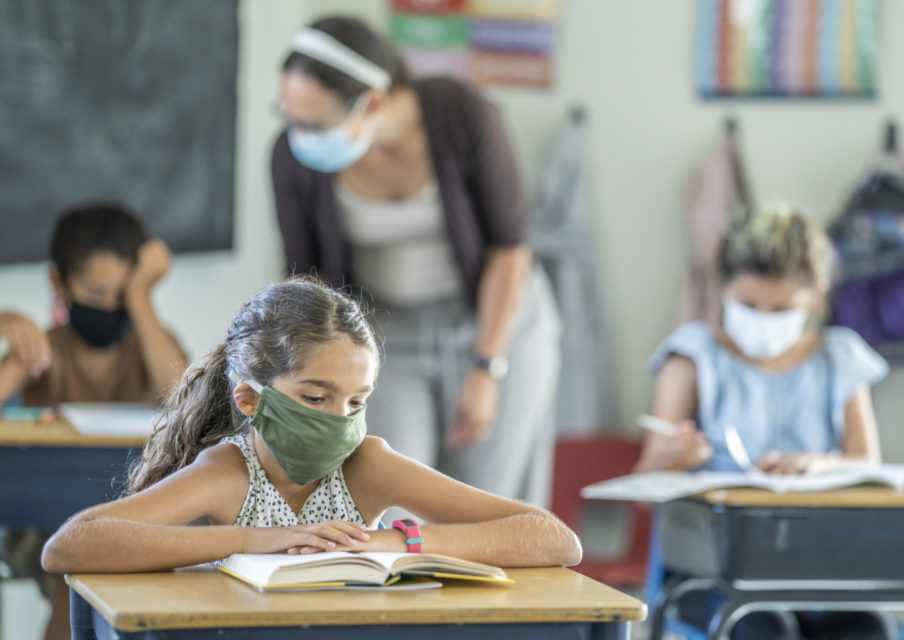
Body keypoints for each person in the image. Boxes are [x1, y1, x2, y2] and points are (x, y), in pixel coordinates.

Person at [41, 278, 582, 577]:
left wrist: (392, 541)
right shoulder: (229, 473)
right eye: (315, 397)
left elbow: (555, 540)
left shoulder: (367, 464)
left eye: (356, 401)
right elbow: (70, 546)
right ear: (252, 398)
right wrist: (258, 540)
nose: (339, 421)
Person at [269, 17, 561, 508]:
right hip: (385, 334)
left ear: (374, 102)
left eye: (315, 123)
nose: (299, 136)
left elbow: (508, 247)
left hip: (497, 321)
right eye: (288, 115)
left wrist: (487, 366)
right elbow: (304, 278)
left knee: (485, 504)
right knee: (389, 496)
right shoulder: (292, 157)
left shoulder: (461, 114)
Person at [636, 206, 890, 640]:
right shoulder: (692, 358)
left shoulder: (841, 358)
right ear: (723, 290)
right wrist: (670, 460)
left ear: (816, 295)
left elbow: (868, 466)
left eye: (780, 309)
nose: (763, 322)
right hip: (711, 573)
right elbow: (643, 489)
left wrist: (822, 465)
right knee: (758, 627)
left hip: (818, 569)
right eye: (749, 305)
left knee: (867, 627)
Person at [0, 203, 188, 640]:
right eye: (95, 295)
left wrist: (141, 297)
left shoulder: (153, 346)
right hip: (47, 524)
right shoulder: (45, 352)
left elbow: (184, 398)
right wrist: (11, 338)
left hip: (142, 515)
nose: (111, 307)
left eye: (122, 295)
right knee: (78, 585)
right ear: (58, 283)